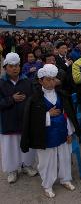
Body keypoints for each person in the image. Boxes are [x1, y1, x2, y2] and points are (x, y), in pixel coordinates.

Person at [21, 64, 80, 198]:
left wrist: (69, 132)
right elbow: (31, 120)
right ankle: (47, 184)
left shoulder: (62, 94)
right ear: (41, 80)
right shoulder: (35, 99)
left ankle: (65, 179)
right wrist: (47, 114)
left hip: (61, 132)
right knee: (47, 162)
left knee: (64, 158)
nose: (51, 82)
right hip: (45, 135)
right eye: (48, 79)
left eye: (53, 79)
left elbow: (67, 114)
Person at [0, 52, 37, 183]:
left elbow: (34, 98)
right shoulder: (1, 83)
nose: (15, 68)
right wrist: (12, 99)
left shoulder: (27, 81)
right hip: (8, 122)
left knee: (27, 145)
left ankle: (27, 166)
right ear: (5, 68)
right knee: (11, 148)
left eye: (17, 65)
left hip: (25, 121)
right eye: (11, 66)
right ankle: (12, 170)